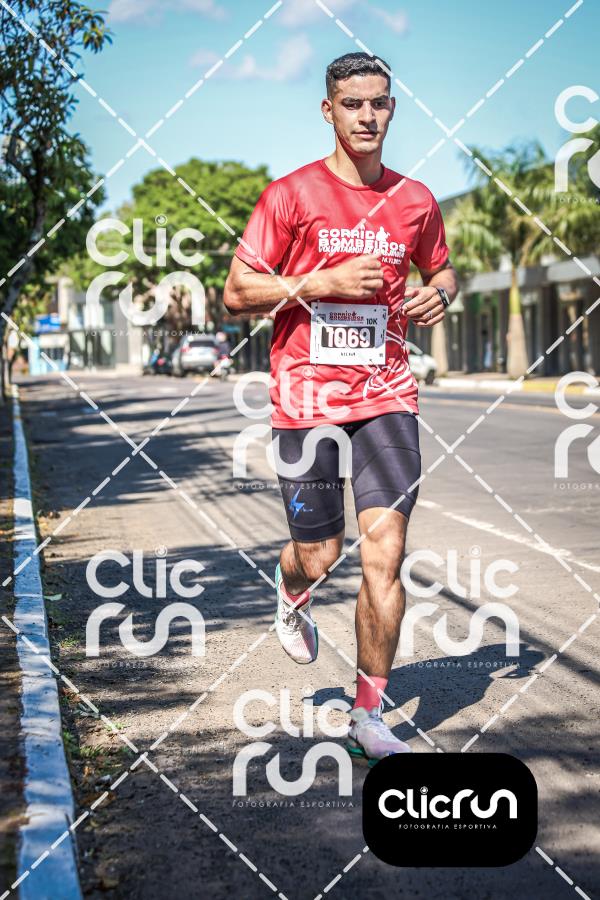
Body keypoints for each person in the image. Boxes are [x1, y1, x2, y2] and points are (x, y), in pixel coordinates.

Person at [224, 52, 458, 763]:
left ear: (393, 109)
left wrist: (438, 294)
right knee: (320, 554)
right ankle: (292, 589)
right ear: (329, 111)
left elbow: (443, 269)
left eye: (379, 102)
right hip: (307, 398)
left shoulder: (415, 200)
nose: (367, 115)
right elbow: (237, 293)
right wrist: (320, 281)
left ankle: (367, 714)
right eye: (352, 103)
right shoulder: (290, 195)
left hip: (387, 394)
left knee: (386, 552)